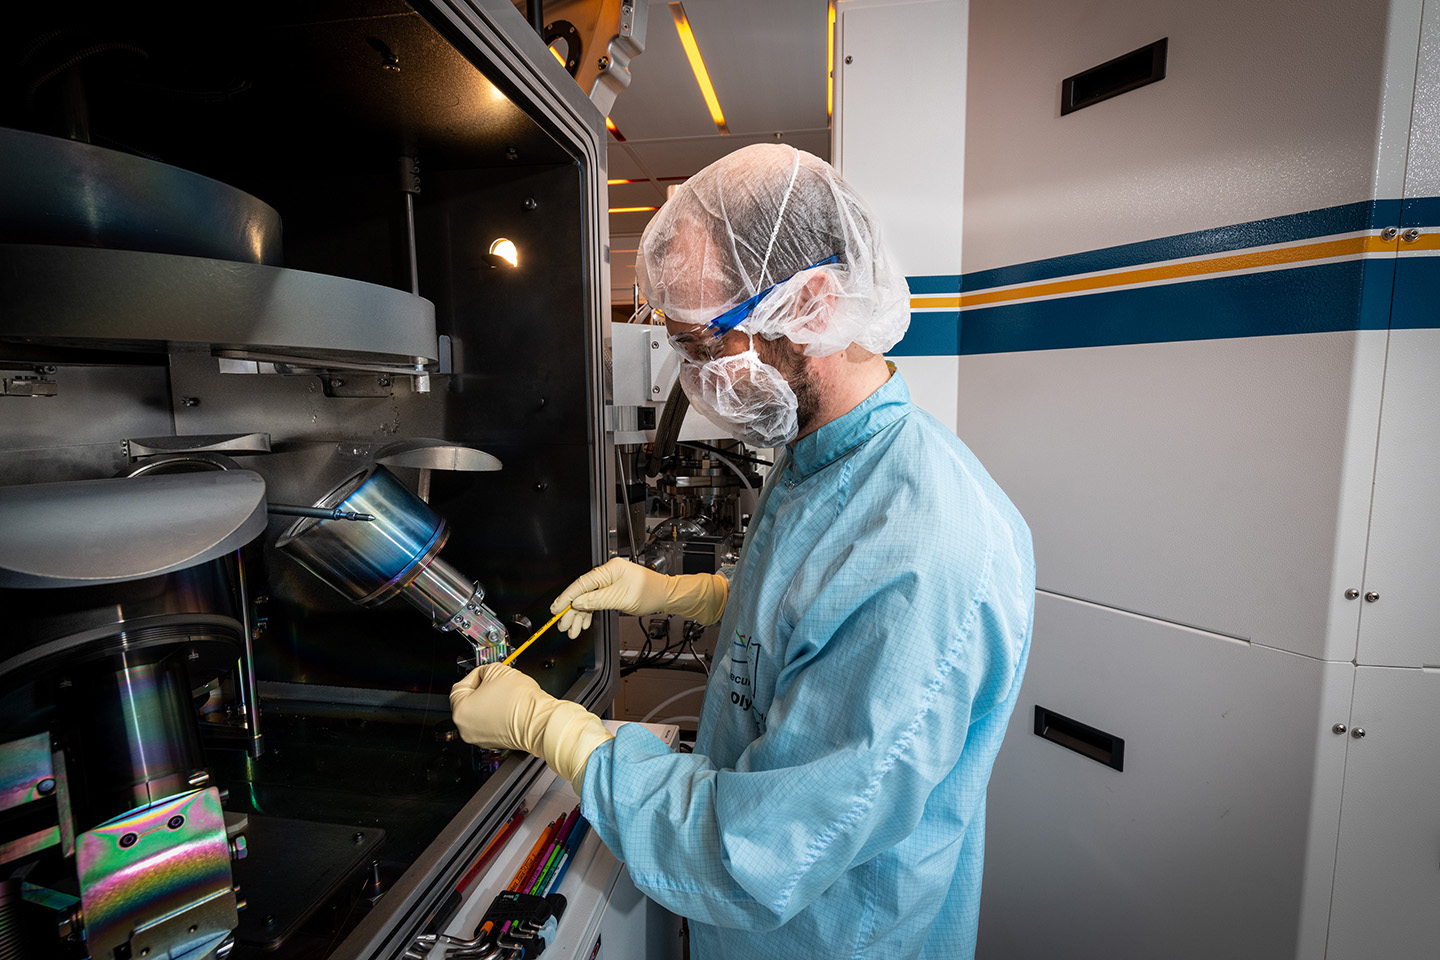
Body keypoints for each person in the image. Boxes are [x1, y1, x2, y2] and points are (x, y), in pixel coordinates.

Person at [450, 143, 1035, 960]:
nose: (692, 380)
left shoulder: (929, 545)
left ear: (816, 303)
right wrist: (676, 595)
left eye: (704, 345)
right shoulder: (821, 455)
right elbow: (812, 616)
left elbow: (755, 853)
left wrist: (556, 731)